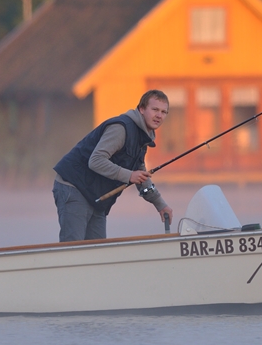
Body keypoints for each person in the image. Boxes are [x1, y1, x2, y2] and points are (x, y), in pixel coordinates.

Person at [52, 90, 174, 242]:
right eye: (155, 109)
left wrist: (160, 205)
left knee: (98, 252)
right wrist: (129, 175)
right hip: (73, 187)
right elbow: (96, 160)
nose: (159, 115)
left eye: (164, 112)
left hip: (96, 197)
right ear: (141, 109)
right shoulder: (121, 128)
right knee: (73, 249)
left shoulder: (143, 138)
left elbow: (141, 174)